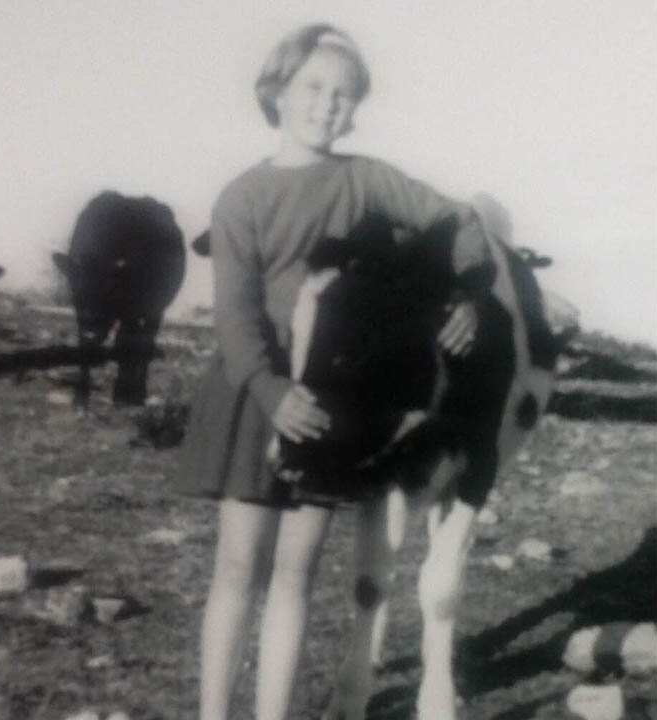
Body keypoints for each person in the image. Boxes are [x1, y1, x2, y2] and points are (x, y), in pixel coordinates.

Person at [177, 24, 492, 719]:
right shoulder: (242, 197)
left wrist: (465, 292)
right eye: (314, 87)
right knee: (238, 569)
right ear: (278, 92)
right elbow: (235, 313)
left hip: (334, 404)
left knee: (297, 573)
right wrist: (270, 389)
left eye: (345, 95)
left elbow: (460, 222)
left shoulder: (366, 180)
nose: (328, 105)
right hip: (252, 393)